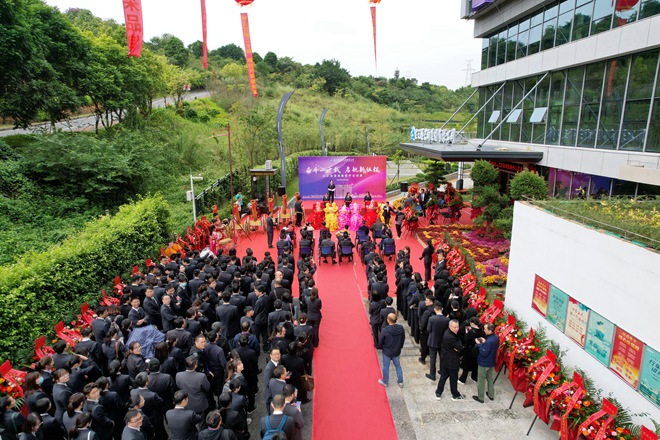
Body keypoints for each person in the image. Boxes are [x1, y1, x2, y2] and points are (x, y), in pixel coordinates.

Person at [435, 319, 465, 401]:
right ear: (450, 326)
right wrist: (458, 347)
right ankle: (455, 394)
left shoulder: (448, 332)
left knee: (443, 376)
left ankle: (438, 392)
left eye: (457, 327)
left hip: (445, 359)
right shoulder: (450, 336)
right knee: (453, 378)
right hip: (452, 361)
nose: (457, 329)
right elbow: (460, 347)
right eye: (455, 327)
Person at [473, 323, 499, 403]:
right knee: (490, 379)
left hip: (484, 363)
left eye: (485, 329)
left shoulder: (489, 341)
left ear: (490, 330)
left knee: (481, 381)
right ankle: (491, 394)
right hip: (491, 362)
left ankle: (481, 397)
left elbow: (484, 353)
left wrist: (479, 344)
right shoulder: (496, 338)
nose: (484, 330)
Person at [377, 313, 405, 388]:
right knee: (398, 366)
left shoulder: (385, 330)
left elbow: (381, 341)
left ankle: (385, 381)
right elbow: (403, 339)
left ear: (388, 320)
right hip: (396, 351)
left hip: (387, 351)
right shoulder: (400, 328)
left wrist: (381, 347)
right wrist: (400, 347)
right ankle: (400, 381)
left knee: (386, 366)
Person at [425, 302, 449, 381]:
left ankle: (432, 374)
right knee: (442, 357)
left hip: (433, 340)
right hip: (442, 341)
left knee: (433, 358)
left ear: (435, 309)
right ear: (442, 309)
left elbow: (428, 329)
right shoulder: (447, 319)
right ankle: (442, 371)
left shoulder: (431, 319)